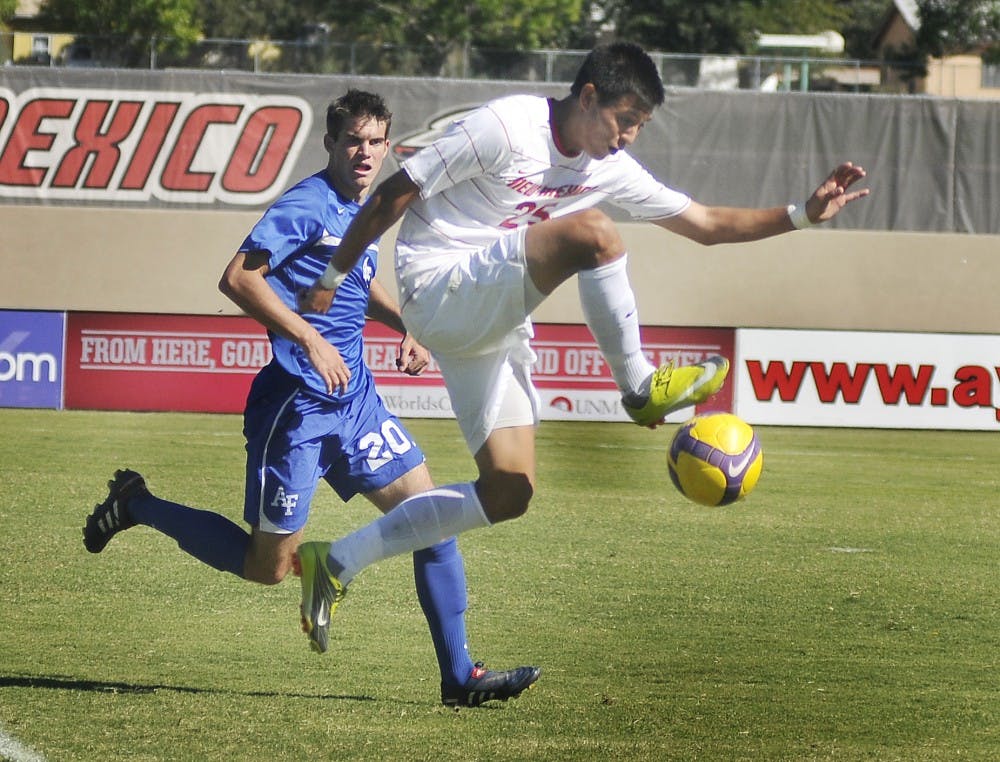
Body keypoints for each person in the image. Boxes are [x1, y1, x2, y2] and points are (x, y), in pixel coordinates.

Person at [290, 42, 870, 654]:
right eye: (625, 121)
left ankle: (337, 561)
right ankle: (640, 387)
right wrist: (332, 277)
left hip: (487, 320)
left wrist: (802, 215)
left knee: (510, 490)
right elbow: (393, 194)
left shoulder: (605, 166)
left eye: (639, 127)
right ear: (589, 97)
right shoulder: (506, 126)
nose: (628, 139)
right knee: (594, 231)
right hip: (439, 284)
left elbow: (703, 225)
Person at [82, 89, 540, 709]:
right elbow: (238, 278)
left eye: (376, 142)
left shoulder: (366, 206)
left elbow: (355, 280)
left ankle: (459, 678)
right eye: (354, 140)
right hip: (294, 409)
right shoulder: (305, 204)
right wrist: (307, 337)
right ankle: (137, 504)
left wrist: (408, 324)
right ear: (330, 142)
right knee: (267, 567)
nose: (365, 153)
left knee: (434, 520)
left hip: (356, 402)